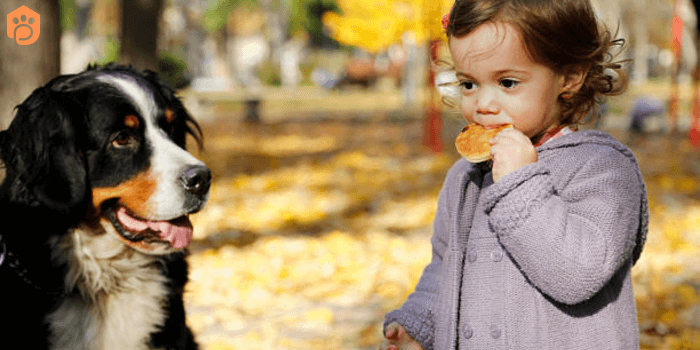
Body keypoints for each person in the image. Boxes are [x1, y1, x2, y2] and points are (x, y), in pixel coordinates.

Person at [380, 0, 649, 349]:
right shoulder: (465, 177)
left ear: (569, 76)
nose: (483, 104)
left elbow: (579, 273)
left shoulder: (603, 168)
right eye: (468, 84)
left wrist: (519, 186)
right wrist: (419, 324)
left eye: (507, 82)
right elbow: (445, 268)